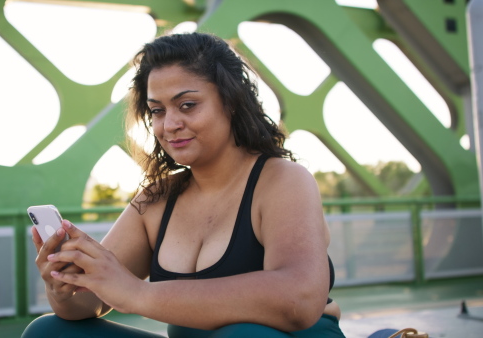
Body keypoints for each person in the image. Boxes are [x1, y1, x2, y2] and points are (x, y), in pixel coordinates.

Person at [22, 32, 345, 337]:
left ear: (231, 102)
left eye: (187, 105)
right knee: (48, 332)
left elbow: (299, 300)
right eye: (157, 111)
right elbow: (89, 304)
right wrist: (63, 287)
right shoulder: (155, 200)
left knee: (246, 334)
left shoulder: (282, 180)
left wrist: (138, 293)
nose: (170, 125)